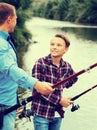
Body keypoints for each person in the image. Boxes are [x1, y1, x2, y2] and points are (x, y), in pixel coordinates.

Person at [0, 2, 54, 130]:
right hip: (3, 105)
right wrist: (37, 84)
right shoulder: (1, 44)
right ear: (9, 19)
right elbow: (10, 69)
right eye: (15, 18)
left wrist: (16, 102)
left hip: (8, 103)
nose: (16, 21)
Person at [31, 34, 78, 130]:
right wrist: (60, 100)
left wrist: (62, 86)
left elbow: (74, 78)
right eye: (52, 44)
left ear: (66, 49)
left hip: (57, 115)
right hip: (41, 114)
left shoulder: (66, 66)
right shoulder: (40, 63)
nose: (54, 47)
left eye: (59, 45)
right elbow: (38, 90)